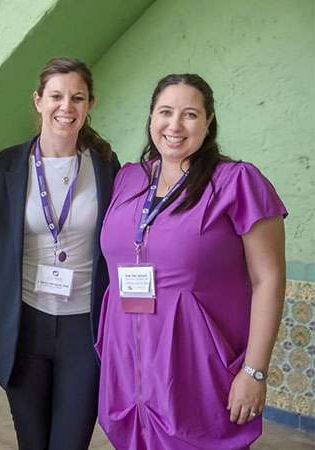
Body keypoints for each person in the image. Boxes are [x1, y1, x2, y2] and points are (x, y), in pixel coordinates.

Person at [96, 74, 287, 449]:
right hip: (129, 366)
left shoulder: (237, 181)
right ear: (151, 117)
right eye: (165, 112)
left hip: (197, 368)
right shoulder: (128, 178)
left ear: (209, 122)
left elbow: (269, 280)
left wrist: (254, 371)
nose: (175, 125)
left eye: (190, 114)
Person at [0, 57, 120, 450]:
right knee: (32, 442)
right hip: (24, 324)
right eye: (57, 96)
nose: (67, 107)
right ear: (38, 100)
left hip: (84, 328)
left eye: (77, 98)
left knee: (70, 442)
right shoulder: (6, 166)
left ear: (89, 104)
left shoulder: (106, 167)